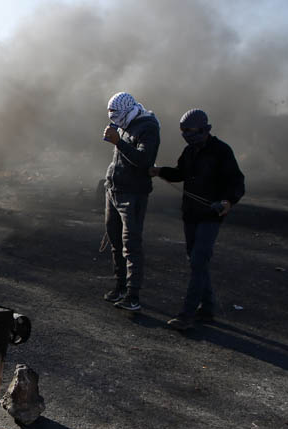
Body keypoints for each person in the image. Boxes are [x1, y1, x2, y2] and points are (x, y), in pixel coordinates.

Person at [150, 109, 245, 331]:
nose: (187, 135)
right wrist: (159, 171)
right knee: (196, 260)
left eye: (190, 131)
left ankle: (187, 315)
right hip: (190, 214)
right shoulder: (189, 151)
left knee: (198, 261)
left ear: (205, 129)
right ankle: (208, 308)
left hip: (211, 216)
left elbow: (238, 182)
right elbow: (180, 174)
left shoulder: (221, 151)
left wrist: (228, 202)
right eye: (183, 132)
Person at [102, 91, 160, 311]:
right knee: (116, 242)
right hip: (115, 189)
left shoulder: (148, 127)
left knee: (131, 245)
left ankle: (133, 295)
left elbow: (144, 160)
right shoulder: (126, 123)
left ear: (127, 111)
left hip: (133, 194)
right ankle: (120, 286)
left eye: (116, 114)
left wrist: (119, 142)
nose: (113, 119)